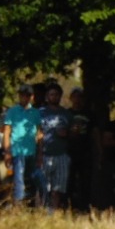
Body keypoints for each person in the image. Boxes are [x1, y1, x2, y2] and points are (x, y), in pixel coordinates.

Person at [1, 84, 41, 207]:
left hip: (31, 152)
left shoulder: (36, 113)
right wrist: (7, 152)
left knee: (32, 180)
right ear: (19, 96)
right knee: (18, 180)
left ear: (32, 97)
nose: (25, 97)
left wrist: (40, 153)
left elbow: (40, 133)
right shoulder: (12, 111)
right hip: (17, 152)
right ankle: (17, 207)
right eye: (22, 95)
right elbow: (7, 132)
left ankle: (31, 206)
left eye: (28, 95)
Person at [36, 84, 73, 214]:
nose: (54, 97)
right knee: (43, 186)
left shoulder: (66, 113)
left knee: (58, 187)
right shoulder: (40, 112)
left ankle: (53, 214)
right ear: (47, 97)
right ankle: (41, 212)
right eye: (51, 94)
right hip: (46, 154)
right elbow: (38, 133)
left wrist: (67, 133)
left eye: (56, 94)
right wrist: (39, 154)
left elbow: (73, 133)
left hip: (62, 154)